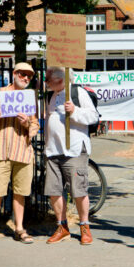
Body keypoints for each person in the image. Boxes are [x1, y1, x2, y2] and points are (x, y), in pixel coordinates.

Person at [0, 62, 39, 246]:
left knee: (20, 193)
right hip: (1, 150)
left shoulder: (30, 97)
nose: (26, 78)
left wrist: (27, 124)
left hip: (22, 151)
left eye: (29, 76)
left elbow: (36, 124)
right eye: (23, 74)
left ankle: (19, 228)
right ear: (14, 74)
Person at [44, 66, 99, 245]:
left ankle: (84, 226)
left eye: (48, 79)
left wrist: (75, 111)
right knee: (54, 191)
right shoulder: (50, 95)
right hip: (53, 150)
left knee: (79, 190)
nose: (46, 83)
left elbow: (93, 116)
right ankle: (62, 227)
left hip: (74, 149)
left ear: (60, 80)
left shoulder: (78, 92)